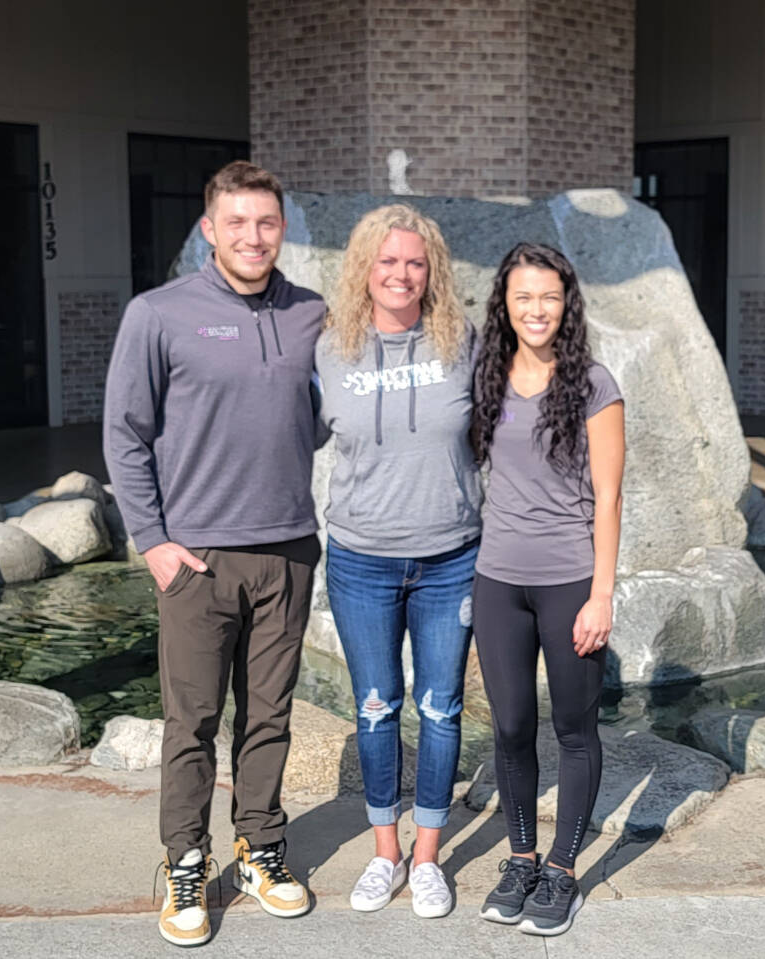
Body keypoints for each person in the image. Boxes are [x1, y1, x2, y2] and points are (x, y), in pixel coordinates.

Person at [103, 161, 324, 948]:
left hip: (290, 550)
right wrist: (153, 542)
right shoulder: (158, 314)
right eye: (237, 222)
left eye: (265, 222)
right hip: (196, 559)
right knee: (191, 720)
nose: (253, 236)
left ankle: (261, 845)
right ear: (209, 227)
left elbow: (330, 414)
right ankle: (185, 860)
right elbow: (124, 434)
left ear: (282, 228)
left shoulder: (311, 313)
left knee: (270, 715)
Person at [314, 204, 481, 919]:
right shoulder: (329, 348)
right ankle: (386, 853)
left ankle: (427, 856)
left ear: (431, 269)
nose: (402, 274)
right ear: (364, 268)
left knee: (441, 708)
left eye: (415, 262)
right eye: (387, 261)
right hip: (361, 561)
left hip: (451, 559)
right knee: (377, 708)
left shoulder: (463, 342)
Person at [468, 242, 625, 937]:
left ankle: (563, 869)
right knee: (508, 726)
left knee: (572, 727)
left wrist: (602, 593)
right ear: (505, 302)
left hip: (568, 580)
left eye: (549, 296)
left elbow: (611, 496)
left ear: (568, 302)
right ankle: (522, 857)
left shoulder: (594, 383)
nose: (537, 309)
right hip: (499, 578)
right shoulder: (488, 374)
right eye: (524, 296)